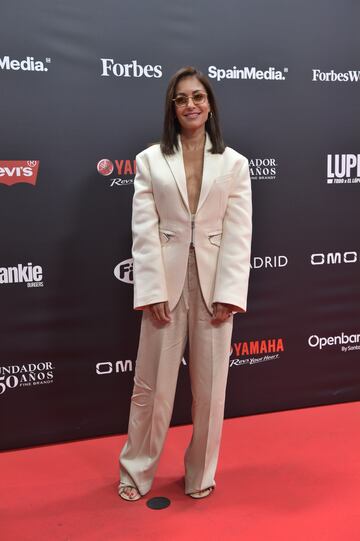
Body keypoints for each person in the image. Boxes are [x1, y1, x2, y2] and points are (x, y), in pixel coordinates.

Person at [118, 66, 252, 501]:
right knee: (150, 388)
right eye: (181, 98)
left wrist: (229, 294)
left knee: (211, 394)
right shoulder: (149, 160)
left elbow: (238, 234)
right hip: (166, 285)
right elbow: (144, 230)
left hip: (214, 287)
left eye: (197, 96)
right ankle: (136, 472)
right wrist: (152, 290)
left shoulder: (234, 164)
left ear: (209, 103)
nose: (190, 104)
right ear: (172, 108)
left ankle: (200, 476)